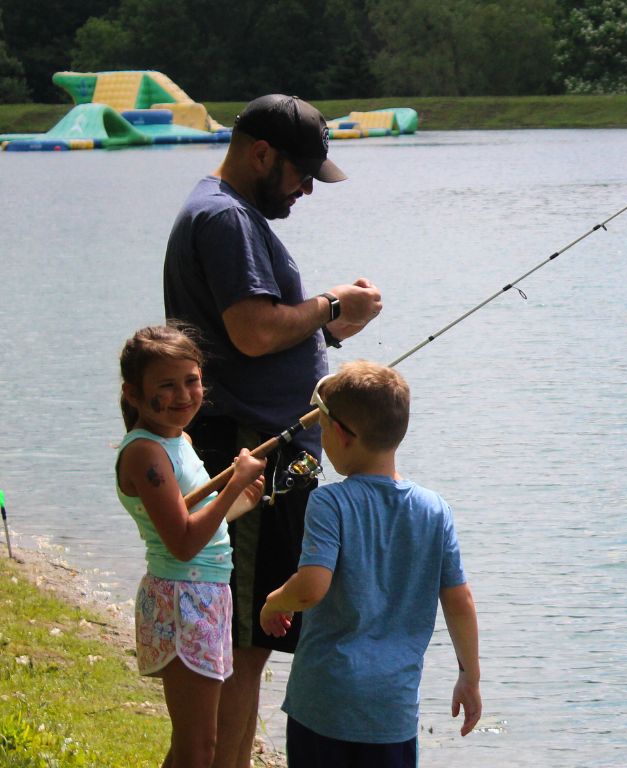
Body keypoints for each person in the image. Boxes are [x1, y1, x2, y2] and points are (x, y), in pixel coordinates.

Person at [163, 94, 383, 767]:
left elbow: (256, 326)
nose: (307, 189)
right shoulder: (225, 217)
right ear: (262, 153)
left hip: (263, 449)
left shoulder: (225, 212)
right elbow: (253, 332)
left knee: (252, 639)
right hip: (251, 450)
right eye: (301, 173)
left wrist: (324, 325)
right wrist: (331, 304)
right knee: (242, 638)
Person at [259, 361, 481, 767]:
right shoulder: (435, 511)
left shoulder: (330, 503)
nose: (321, 438)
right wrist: (469, 674)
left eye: (323, 428)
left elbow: (311, 587)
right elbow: (460, 601)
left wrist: (274, 602)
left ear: (342, 436)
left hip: (323, 704)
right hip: (391, 713)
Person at [116, 325, 267, 768]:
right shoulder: (145, 454)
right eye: (166, 385)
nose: (183, 394)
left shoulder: (178, 440)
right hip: (181, 599)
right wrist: (231, 486)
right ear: (132, 393)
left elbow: (193, 528)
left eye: (192, 380)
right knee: (199, 749)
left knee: (195, 745)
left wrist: (238, 503)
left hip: (207, 594)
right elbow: (181, 544)